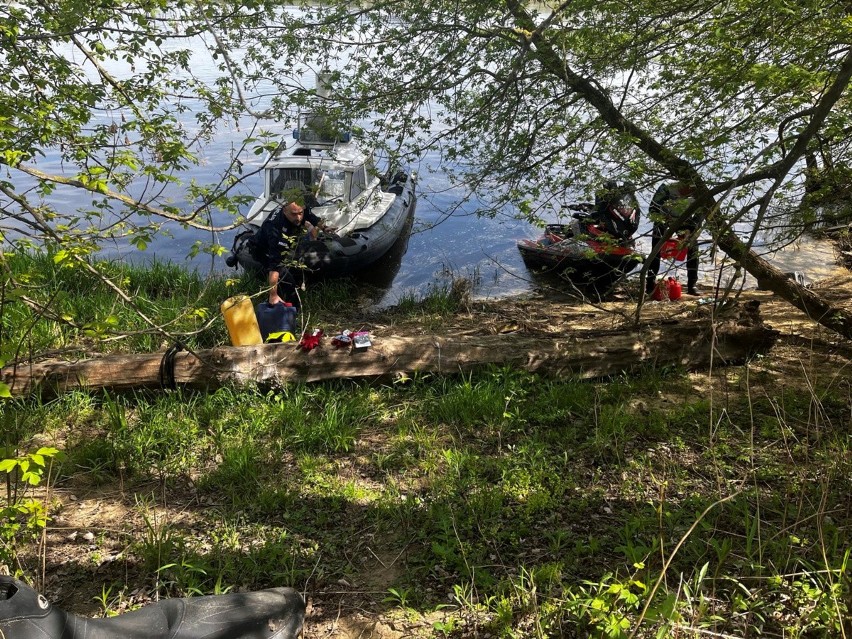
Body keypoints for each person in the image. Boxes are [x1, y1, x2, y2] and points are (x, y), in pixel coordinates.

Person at [248, 199, 334, 308]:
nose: (298, 218)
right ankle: (289, 310)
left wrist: (325, 228)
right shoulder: (276, 230)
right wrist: (273, 294)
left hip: (285, 244)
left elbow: (311, 217)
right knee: (288, 282)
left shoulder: (298, 208)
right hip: (263, 250)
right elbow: (275, 264)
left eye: (300, 213)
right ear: (284, 211)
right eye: (294, 214)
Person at [646, 181, 702, 296]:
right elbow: (653, 208)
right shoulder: (666, 188)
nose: (688, 191)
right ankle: (649, 284)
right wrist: (663, 222)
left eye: (691, 189)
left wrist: (691, 230)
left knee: (693, 248)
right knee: (656, 247)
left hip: (685, 220)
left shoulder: (698, 192)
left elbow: (700, 215)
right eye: (686, 187)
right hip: (664, 218)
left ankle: (692, 285)